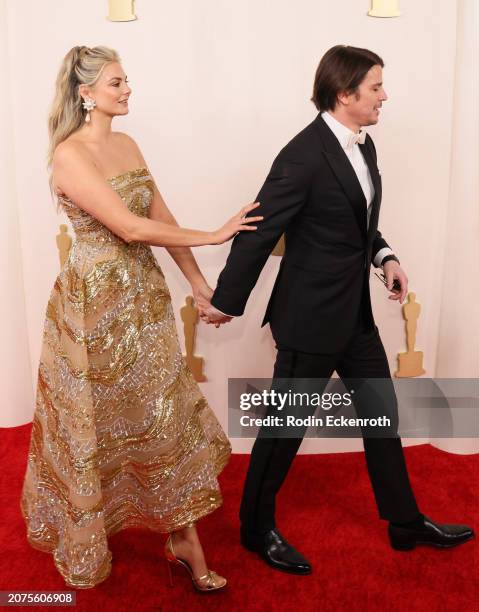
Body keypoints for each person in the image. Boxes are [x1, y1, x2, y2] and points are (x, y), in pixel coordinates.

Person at [200, 45, 474, 574]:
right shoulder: (302, 156)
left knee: (382, 416)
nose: (384, 96)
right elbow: (258, 234)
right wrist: (225, 303)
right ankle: (255, 529)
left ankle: (403, 521)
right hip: (308, 319)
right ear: (344, 94)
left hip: (354, 316)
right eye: (375, 87)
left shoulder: (362, 146)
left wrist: (385, 254)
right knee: (284, 429)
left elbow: (356, 218)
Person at [19, 45, 262, 591]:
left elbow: (160, 217)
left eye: (126, 80)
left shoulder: (128, 143)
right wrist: (214, 232)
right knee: (95, 424)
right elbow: (129, 229)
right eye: (115, 82)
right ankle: (89, 529)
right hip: (91, 311)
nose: (127, 90)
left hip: (143, 304)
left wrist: (201, 286)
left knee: (159, 416)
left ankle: (183, 537)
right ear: (85, 94)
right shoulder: (68, 155)